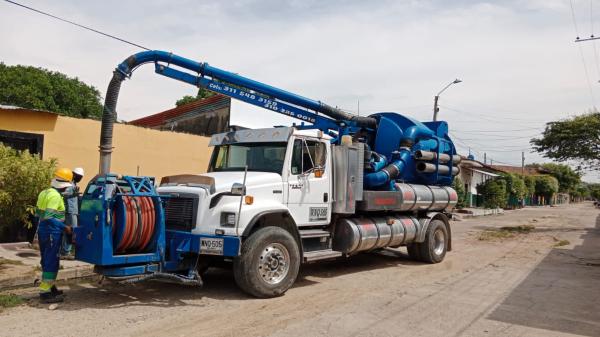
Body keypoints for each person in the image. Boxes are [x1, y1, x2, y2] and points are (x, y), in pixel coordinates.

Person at [35, 168, 73, 303]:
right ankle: (45, 292)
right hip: (52, 232)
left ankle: (51, 287)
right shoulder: (55, 196)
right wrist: (65, 227)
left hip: (43, 231)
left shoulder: (44, 192)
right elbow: (49, 217)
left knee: (46, 259)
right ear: (64, 185)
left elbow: (38, 214)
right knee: (52, 261)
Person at [61, 167, 84, 258]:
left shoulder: (73, 184)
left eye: (80, 177)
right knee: (71, 231)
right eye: (78, 176)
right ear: (74, 174)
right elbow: (64, 193)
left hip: (72, 211)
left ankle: (65, 251)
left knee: (69, 231)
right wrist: (73, 193)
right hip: (70, 211)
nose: (79, 178)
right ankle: (66, 252)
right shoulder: (69, 184)